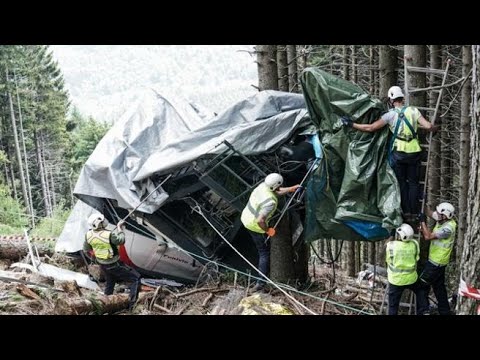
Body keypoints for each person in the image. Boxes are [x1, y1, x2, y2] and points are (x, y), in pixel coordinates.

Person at [341, 86, 436, 220]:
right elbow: (428, 126)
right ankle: (415, 212)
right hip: (414, 152)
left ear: (391, 101)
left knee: (402, 183)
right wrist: (434, 127)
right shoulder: (413, 111)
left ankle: (406, 212)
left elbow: (371, 128)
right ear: (403, 98)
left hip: (399, 154)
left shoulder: (390, 115)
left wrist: (352, 124)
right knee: (414, 183)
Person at [240, 173, 301, 292]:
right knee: (264, 253)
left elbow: (275, 191)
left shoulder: (263, 186)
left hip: (246, 216)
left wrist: (290, 189)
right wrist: (268, 230)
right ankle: (260, 283)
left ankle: (261, 280)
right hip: (253, 224)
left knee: (263, 251)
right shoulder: (270, 202)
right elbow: (260, 220)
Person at [83, 213, 141, 311]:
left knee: (110, 283)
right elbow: (121, 240)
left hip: (103, 265)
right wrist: (120, 228)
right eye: (102, 220)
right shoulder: (109, 234)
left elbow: (86, 249)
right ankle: (132, 306)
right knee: (136, 278)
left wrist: (95, 259)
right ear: (99, 223)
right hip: (114, 264)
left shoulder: (88, 235)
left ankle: (104, 306)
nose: (105, 221)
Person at [416, 202, 457, 315]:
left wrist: (423, 222)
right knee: (439, 289)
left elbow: (428, 236)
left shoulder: (447, 229)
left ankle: (424, 311)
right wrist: (421, 202)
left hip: (435, 264)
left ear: (446, 216)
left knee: (421, 286)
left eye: (439, 214)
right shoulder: (442, 219)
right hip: (439, 263)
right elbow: (429, 212)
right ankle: (445, 312)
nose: (437, 215)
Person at [385, 223, 422, 315]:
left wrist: (391, 236)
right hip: (411, 279)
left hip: (395, 280)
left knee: (393, 306)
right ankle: (424, 311)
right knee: (421, 291)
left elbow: (388, 260)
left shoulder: (391, 245)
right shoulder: (414, 244)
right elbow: (417, 258)